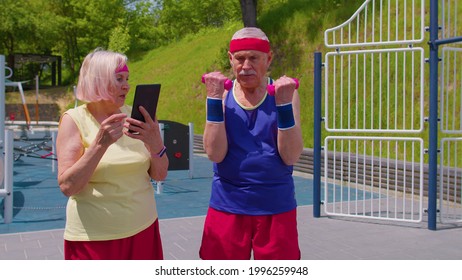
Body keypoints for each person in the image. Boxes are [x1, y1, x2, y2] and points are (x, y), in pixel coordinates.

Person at [200, 27, 303, 260]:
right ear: (230, 59)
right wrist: (214, 100)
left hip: (276, 205)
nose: (246, 66)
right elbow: (214, 154)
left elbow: (291, 156)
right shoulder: (222, 94)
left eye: (254, 58)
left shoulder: (285, 93)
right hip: (227, 205)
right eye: (240, 58)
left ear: (269, 59)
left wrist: (284, 104)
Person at [56, 49, 168, 260]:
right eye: (118, 79)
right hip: (95, 239)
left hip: (144, 228)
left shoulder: (137, 116)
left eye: (127, 79)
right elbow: (67, 187)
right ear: (97, 81)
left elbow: (161, 175)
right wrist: (100, 145)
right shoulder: (74, 119)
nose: (126, 85)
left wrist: (155, 144)